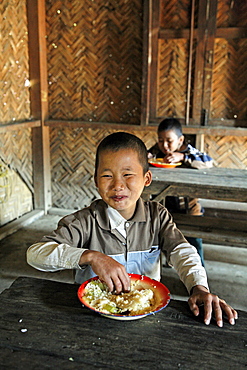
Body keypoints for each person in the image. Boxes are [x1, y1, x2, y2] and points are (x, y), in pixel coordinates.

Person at [27, 131, 237, 327]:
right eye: (107, 176)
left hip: (146, 315)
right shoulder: (84, 221)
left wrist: (198, 287)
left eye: (128, 174)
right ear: (96, 181)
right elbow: (35, 254)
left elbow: (183, 253)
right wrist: (91, 256)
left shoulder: (157, 217)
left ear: (146, 179)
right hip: (93, 317)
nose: (118, 185)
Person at [148, 118, 214, 267]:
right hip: (165, 205)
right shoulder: (157, 151)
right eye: (160, 140)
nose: (164, 146)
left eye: (169, 141)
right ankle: (169, 263)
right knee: (163, 236)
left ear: (180, 140)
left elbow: (208, 161)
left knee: (193, 243)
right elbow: (145, 155)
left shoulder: (187, 150)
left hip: (188, 209)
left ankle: (199, 273)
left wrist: (183, 157)